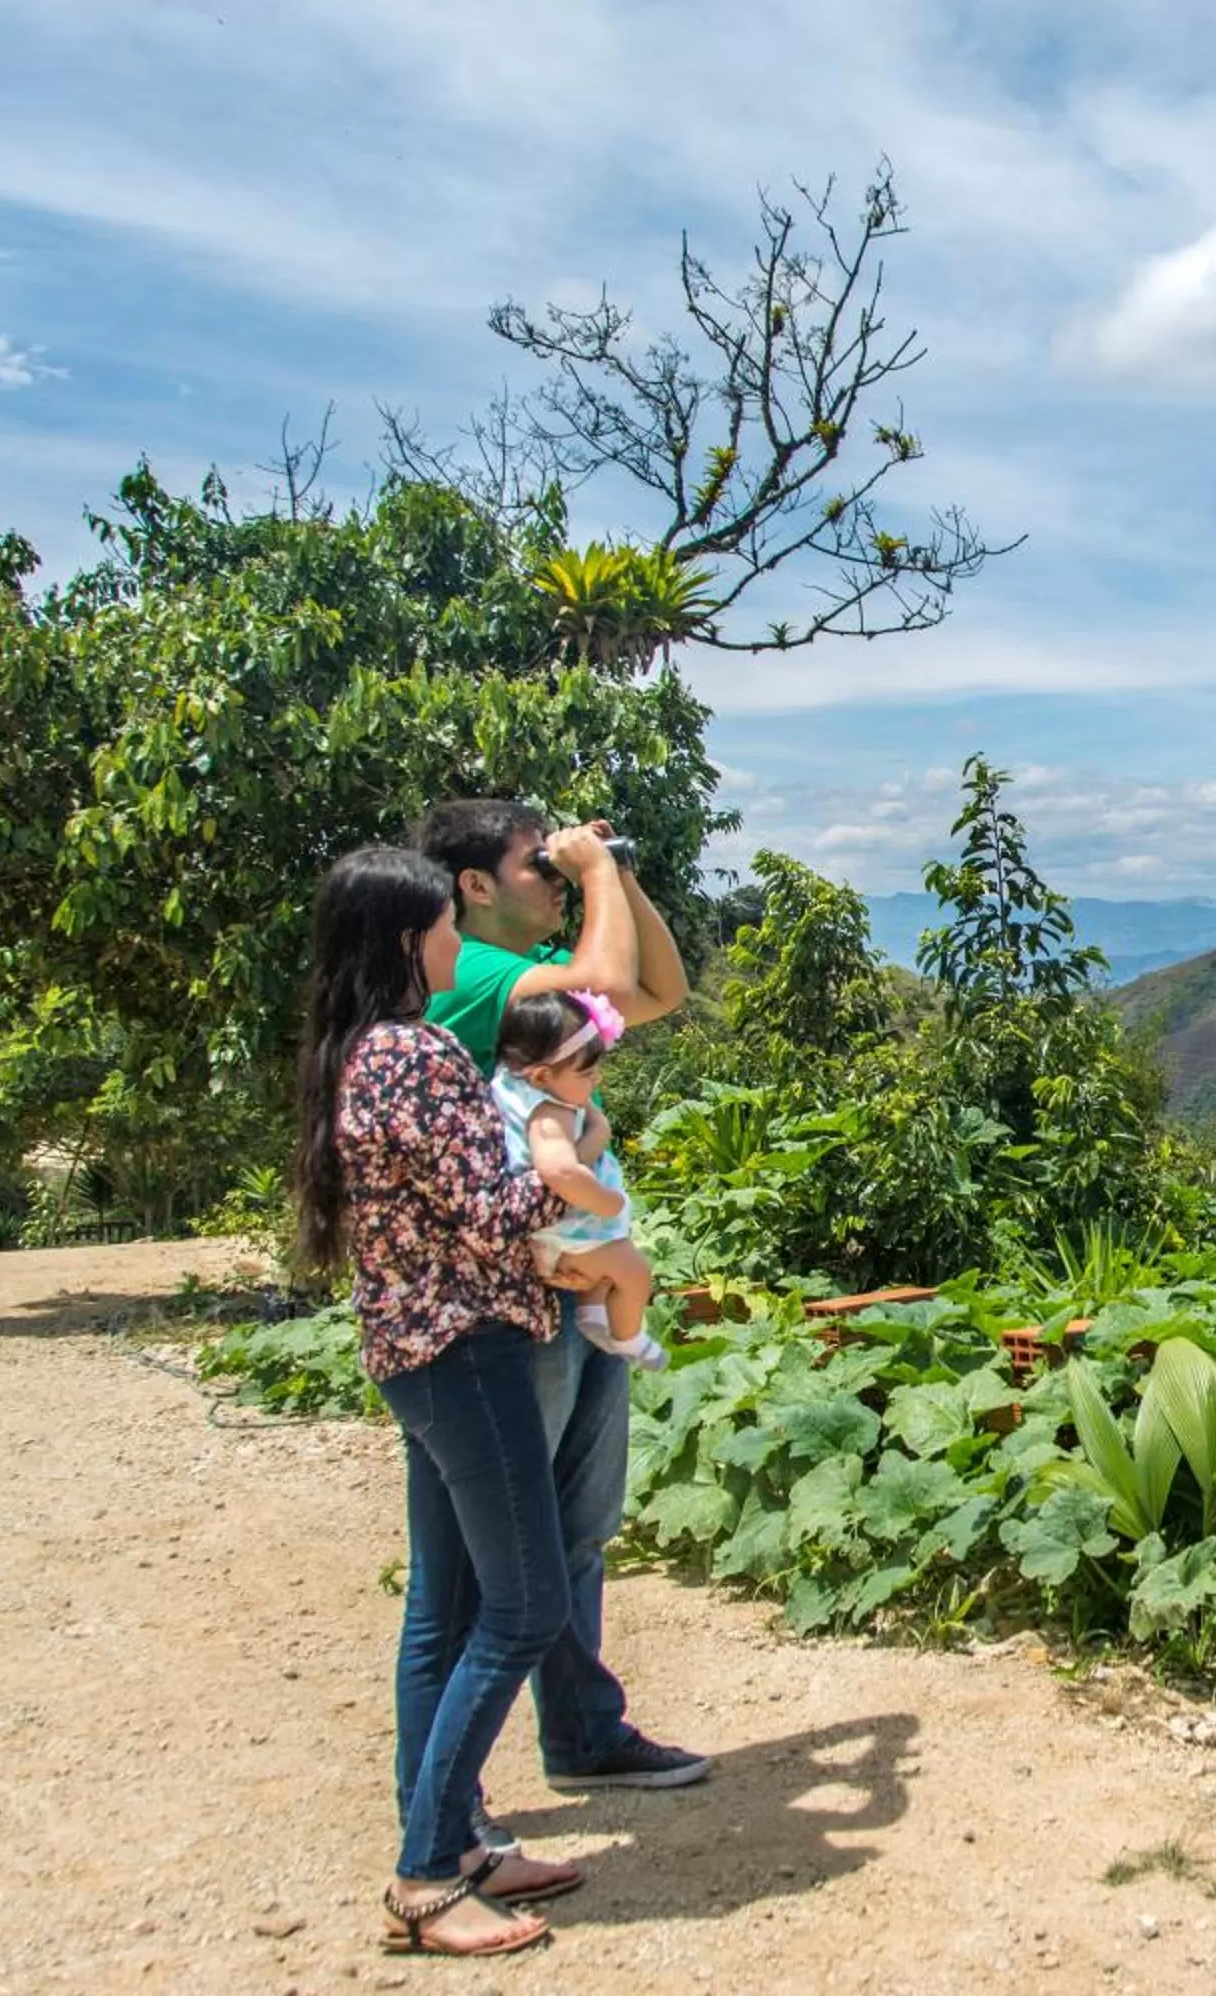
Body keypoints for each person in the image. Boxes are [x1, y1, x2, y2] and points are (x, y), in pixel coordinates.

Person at [289, 845, 588, 1958]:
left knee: (445, 1604)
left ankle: (458, 1835)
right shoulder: (413, 1053)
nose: (457, 945)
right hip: (467, 1347)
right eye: (440, 928)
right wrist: (561, 1144)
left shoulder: (355, 1052)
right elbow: (491, 1205)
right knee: (522, 1605)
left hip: (411, 1346)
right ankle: (425, 1874)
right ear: (406, 940)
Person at [413, 799, 707, 1795]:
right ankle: (444, 1802)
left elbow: (656, 987)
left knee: (577, 1525)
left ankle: (583, 1730)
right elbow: (612, 979)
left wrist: (614, 874)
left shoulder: (539, 990)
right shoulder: (475, 977)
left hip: (573, 1281)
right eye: (533, 862)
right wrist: (592, 878)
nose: (552, 874)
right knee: (488, 1561)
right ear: (475, 886)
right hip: (507, 1291)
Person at [493, 989, 665, 1371]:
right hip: (570, 1228)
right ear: (540, 1075)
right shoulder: (548, 1113)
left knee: (605, 1272)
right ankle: (630, 1339)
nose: (596, 1078)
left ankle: (593, 1312)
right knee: (634, 1271)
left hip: (562, 1230)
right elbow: (559, 1170)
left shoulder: (519, 1085)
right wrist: (605, 1201)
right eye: (586, 1073)